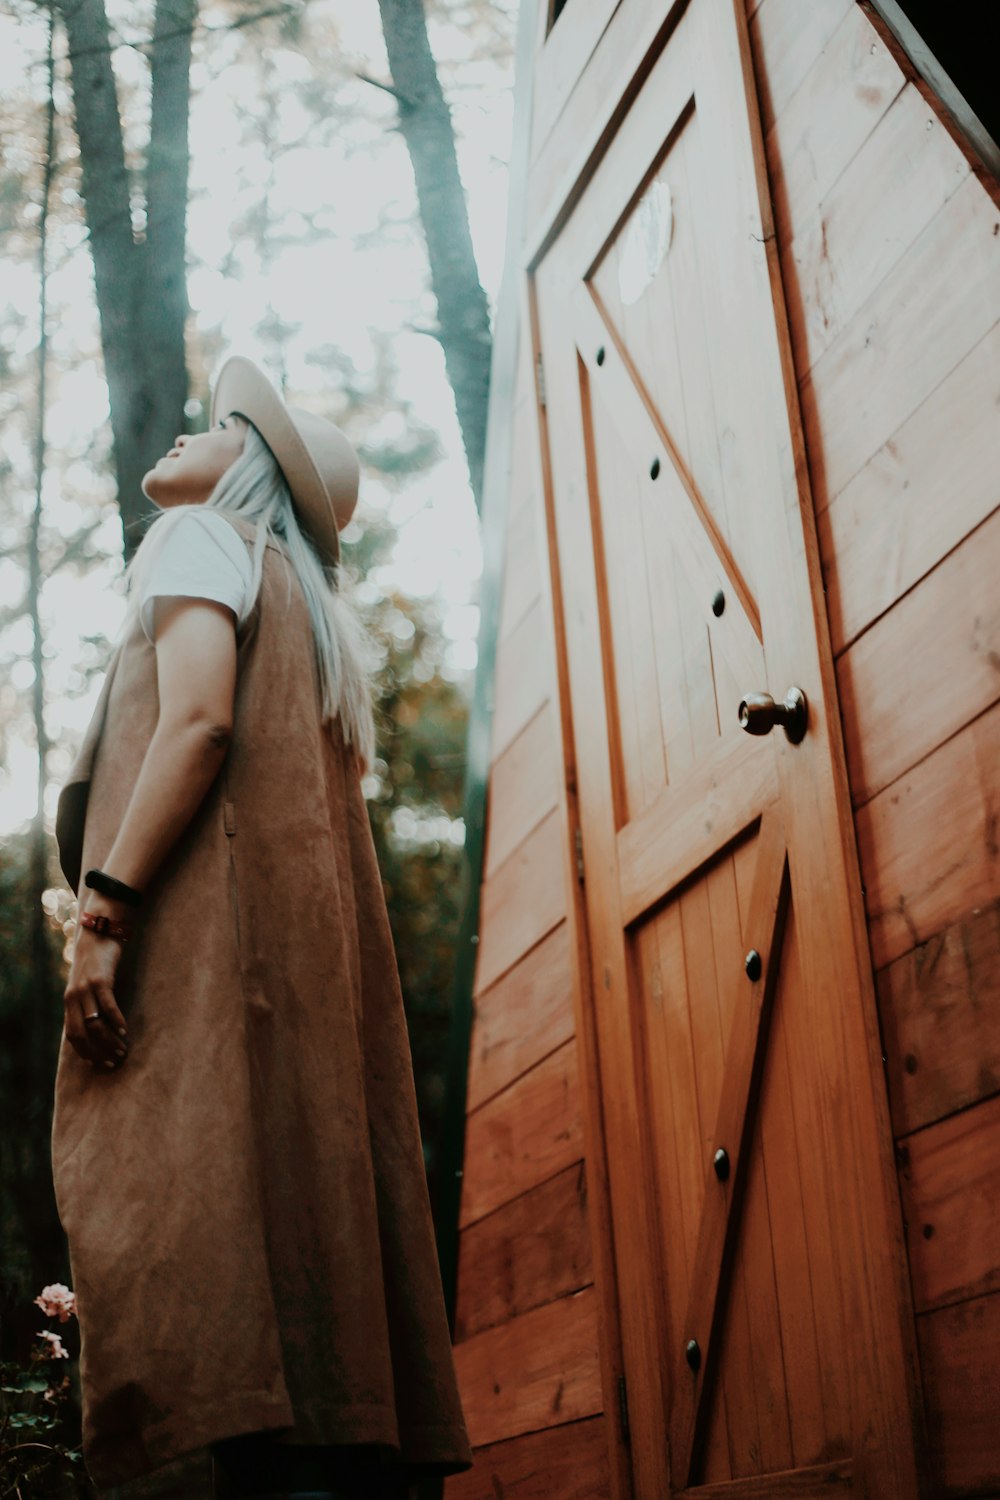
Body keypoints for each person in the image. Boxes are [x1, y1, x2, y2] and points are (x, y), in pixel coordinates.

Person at [51, 356, 474, 1500]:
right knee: (306, 1288)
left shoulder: (198, 543)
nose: (192, 432)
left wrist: (103, 913)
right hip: (294, 1003)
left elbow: (193, 728)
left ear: (255, 472)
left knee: (203, 1264)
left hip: (194, 966)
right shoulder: (306, 612)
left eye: (222, 425)